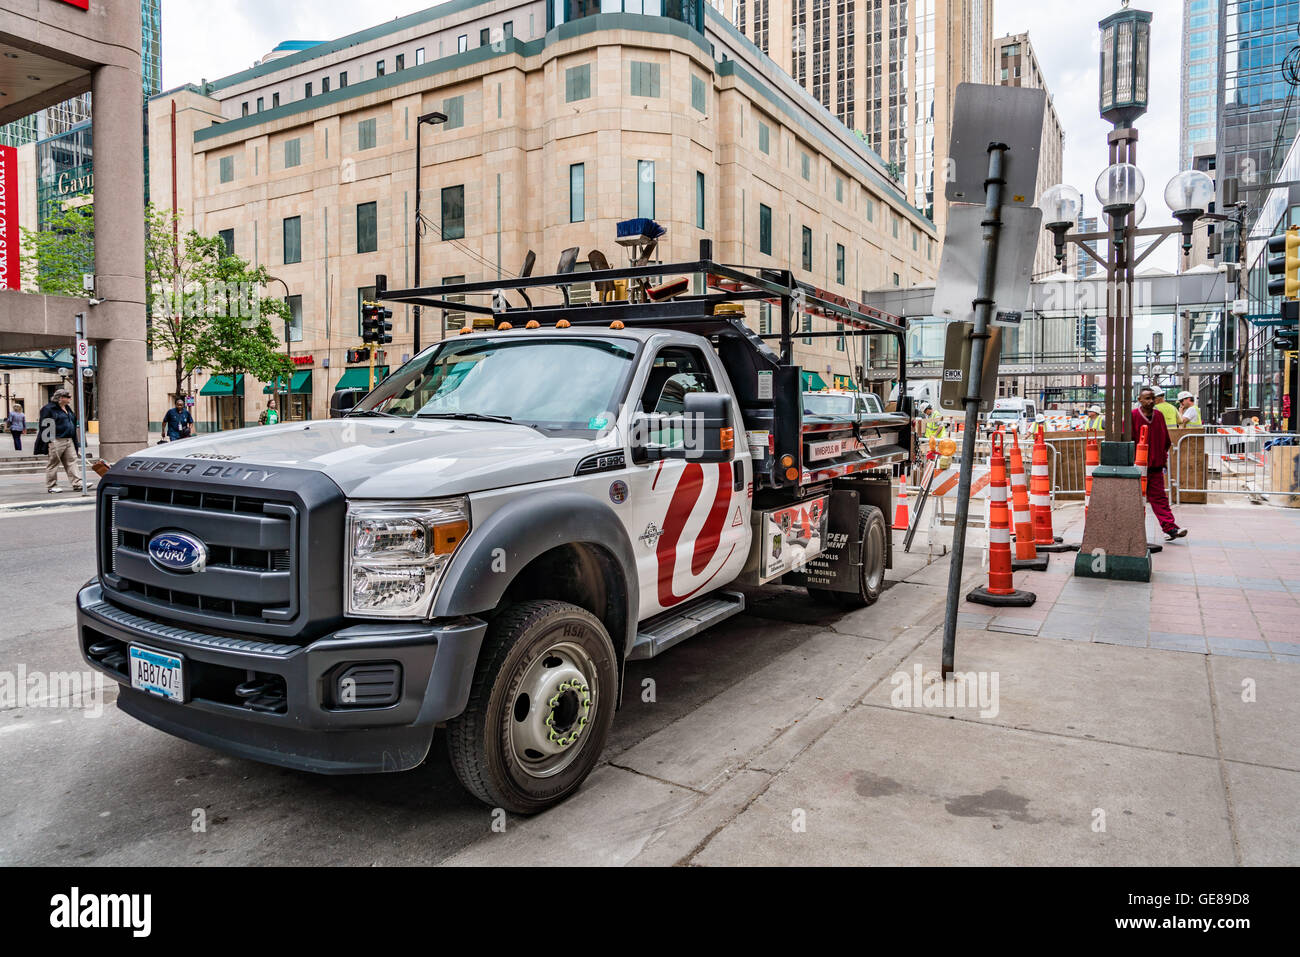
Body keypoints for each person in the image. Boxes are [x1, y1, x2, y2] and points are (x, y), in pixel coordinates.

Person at [1133, 386, 1186, 541]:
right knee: (1133, 499)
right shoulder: (1133, 416)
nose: (1150, 401)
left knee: (1159, 498)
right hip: (1137, 466)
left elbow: (1165, 439)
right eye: (1147, 398)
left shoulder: (1159, 415)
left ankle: (1170, 528)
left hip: (1155, 465)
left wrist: (1162, 458)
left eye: (1152, 398)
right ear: (1139, 400)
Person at [33, 388, 82, 493]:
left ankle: (77, 483)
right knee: (53, 462)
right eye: (68, 397)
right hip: (56, 439)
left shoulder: (67, 408)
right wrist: (50, 440)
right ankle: (52, 485)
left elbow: (72, 420)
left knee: (72, 461)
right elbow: (45, 425)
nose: (70, 398)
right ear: (60, 398)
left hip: (68, 439)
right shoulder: (48, 409)